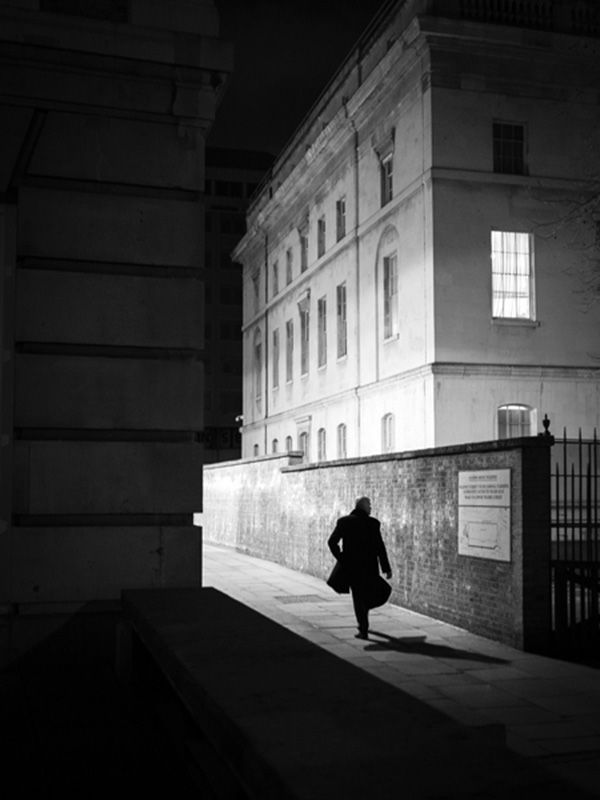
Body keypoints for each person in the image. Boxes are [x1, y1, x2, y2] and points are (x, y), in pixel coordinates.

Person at [327, 496, 392, 639]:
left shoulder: (344, 522)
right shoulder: (372, 524)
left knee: (359, 597)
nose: (371, 508)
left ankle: (363, 624)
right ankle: (364, 626)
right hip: (369, 568)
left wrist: (342, 557)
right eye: (369, 505)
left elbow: (332, 542)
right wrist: (386, 567)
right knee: (379, 592)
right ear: (362, 507)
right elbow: (380, 547)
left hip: (352, 568)